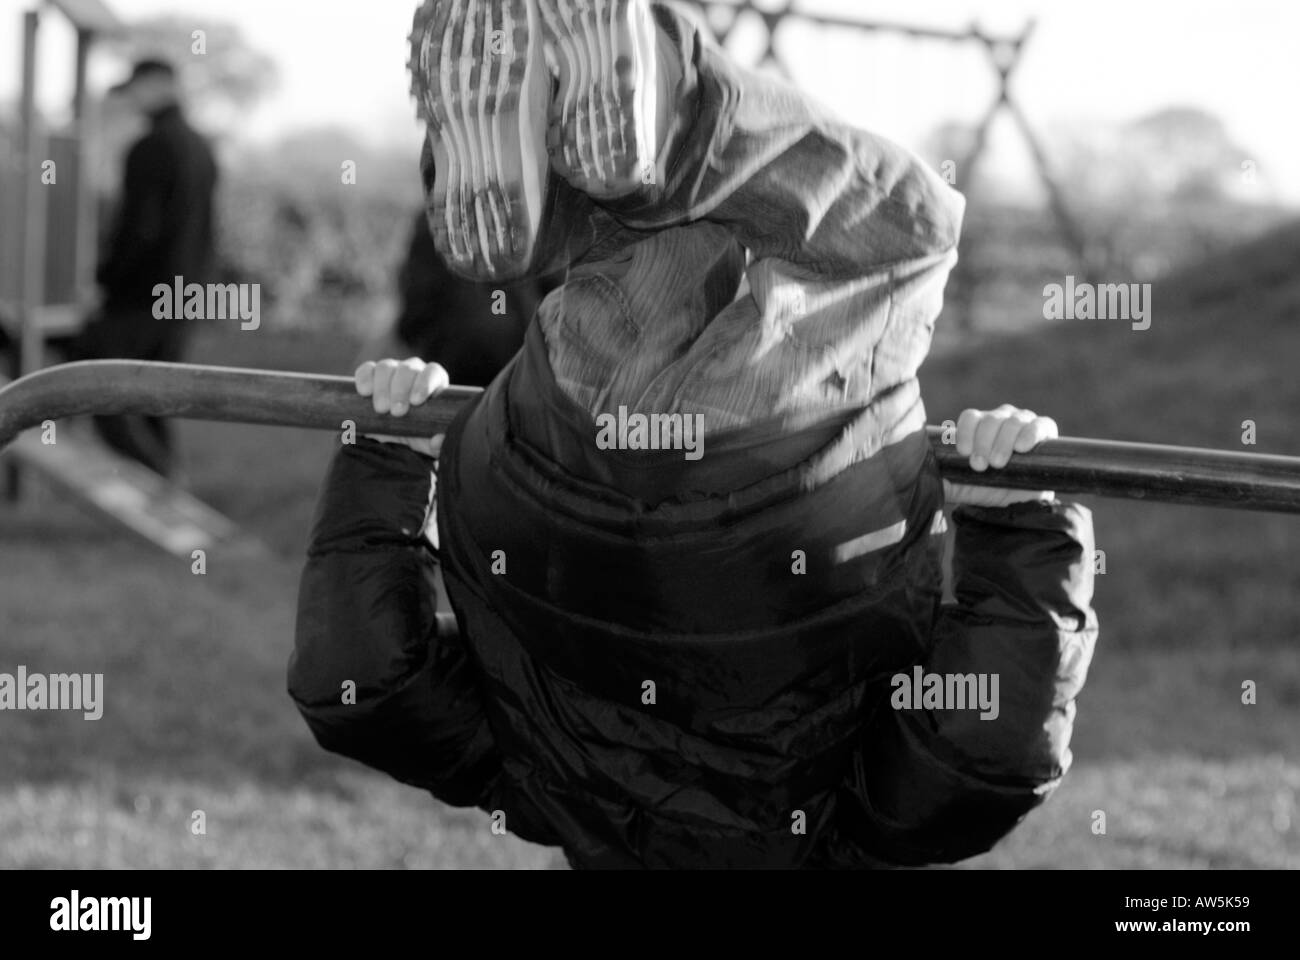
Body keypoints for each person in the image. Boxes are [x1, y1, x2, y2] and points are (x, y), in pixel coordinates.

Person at [289, 0, 1098, 869]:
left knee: (900, 229)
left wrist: (1015, 523)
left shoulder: (853, 831)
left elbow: (992, 754)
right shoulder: (537, 794)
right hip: (550, 456)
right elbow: (360, 686)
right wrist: (388, 456)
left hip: (774, 494)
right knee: (656, 238)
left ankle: (674, 110)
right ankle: (578, 166)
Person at [77, 58, 217, 477]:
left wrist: (104, 280)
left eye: (137, 88)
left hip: (144, 294)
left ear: (160, 85)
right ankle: (167, 488)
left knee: (96, 384)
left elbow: (138, 229)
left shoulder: (151, 147)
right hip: (187, 294)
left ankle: (153, 479)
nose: (133, 98)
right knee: (154, 397)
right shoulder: (201, 146)